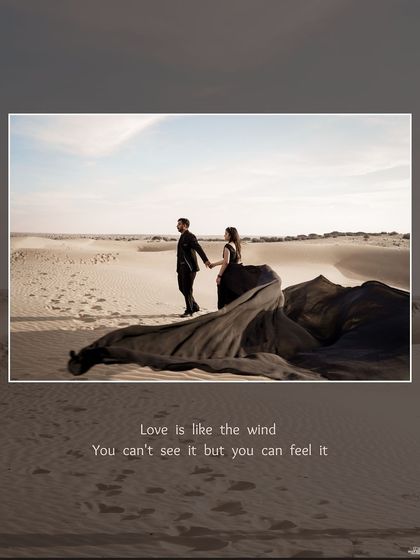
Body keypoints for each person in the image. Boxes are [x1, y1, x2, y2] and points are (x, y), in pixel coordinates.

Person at [210, 227, 262, 309]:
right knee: (231, 297)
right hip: (235, 274)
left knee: (223, 297)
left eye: (226, 233)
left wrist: (219, 276)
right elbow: (229, 261)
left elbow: (226, 262)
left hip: (227, 275)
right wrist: (214, 264)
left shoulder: (227, 246)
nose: (224, 235)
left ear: (230, 235)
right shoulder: (236, 245)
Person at [176, 218, 210, 317]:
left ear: (185, 225)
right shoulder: (182, 236)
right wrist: (178, 268)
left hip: (189, 268)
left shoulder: (190, 236)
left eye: (179, 224)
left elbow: (198, 248)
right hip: (181, 268)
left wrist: (205, 260)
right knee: (181, 288)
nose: (177, 226)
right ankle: (194, 306)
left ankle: (189, 310)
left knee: (187, 289)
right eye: (177, 224)